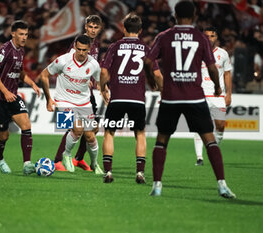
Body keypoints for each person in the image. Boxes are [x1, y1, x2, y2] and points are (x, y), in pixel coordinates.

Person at [144, 0, 236, 198]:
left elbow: (148, 62)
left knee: (162, 141)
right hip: (195, 97)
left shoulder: (164, 36)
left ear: (175, 16)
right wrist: (219, 87)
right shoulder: (200, 37)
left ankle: (157, 186)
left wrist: (152, 81)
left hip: (170, 97)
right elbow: (212, 68)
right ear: (195, 16)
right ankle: (222, 185)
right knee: (209, 139)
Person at [100, 13, 163, 184]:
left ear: (124, 28)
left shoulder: (115, 46)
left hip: (118, 98)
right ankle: (140, 173)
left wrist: (103, 87)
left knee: (109, 133)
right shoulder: (146, 48)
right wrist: (163, 92)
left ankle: (108, 172)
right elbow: (157, 74)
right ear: (140, 30)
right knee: (140, 134)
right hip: (137, 100)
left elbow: (104, 71)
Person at [39, 34, 103, 174]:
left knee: (90, 136)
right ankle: (66, 155)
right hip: (63, 100)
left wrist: (104, 89)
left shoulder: (94, 65)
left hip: (84, 103)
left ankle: (94, 164)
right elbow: (44, 75)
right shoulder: (63, 60)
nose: (81, 53)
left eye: (84, 50)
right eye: (78, 49)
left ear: (89, 49)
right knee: (77, 129)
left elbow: (99, 81)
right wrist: (49, 99)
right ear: (74, 47)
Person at [0, 20, 41, 175]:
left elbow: (20, 72)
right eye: (21, 34)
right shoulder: (5, 50)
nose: (24, 37)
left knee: (26, 125)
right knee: (4, 135)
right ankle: (0, 159)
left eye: (26, 34)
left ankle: (27, 164)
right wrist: (5, 91)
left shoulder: (21, 51)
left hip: (12, 97)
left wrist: (33, 84)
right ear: (13, 33)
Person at [54, 15, 103, 172]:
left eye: (96, 27)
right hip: (72, 94)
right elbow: (69, 62)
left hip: (86, 94)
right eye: (90, 27)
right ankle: (57, 161)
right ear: (86, 27)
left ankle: (79, 159)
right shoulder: (79, 42)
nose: (93, 30)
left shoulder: (96, 45)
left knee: (91, 129)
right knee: (72, 127)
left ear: (99, 29)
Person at [194, 27, 232, 166]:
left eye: (212, 36)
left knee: (220, 126)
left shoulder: (223, 54)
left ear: (217, 38)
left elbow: (227, 74)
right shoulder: (196, 53)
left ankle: (213, 150)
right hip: (201, 94)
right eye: (207, 36)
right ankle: (199, 157)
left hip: (218, 95)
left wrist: (228, 94)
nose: (209, 38)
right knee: (201, 126)